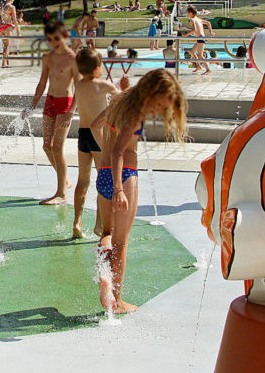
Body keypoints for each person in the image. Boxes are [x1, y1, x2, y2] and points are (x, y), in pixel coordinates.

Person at [89, 69, 187, 314]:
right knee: (122, 243)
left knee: (107, 233)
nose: (159, 110)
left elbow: (93, 126)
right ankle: (118, 299)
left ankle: (104, 275)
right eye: (161, 103)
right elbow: (118, 152)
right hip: (123, 175)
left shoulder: (120, 101)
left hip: (104, 173)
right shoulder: (135, 116)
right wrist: (120, 190)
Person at [71, 48, 129, 239]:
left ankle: (77, 222)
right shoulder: (102, 85)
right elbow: (122, 99)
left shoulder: (78, 84)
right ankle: (99, 223)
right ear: (97, 68)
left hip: (83, 134)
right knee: (103, 176)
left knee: (82, 179)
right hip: (98, 135)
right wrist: (125, 86)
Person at [28, 21, 80, 205]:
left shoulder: (73, 58)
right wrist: (32, 105)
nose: (53, 43)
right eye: (50, 40)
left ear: (64, 36)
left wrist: (71, 112)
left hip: (65, 105)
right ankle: (64, 179)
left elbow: (79, 86)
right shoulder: (47, 57)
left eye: (56, 38)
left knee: (57, 148)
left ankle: (61, 193)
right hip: (50, 102)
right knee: (47, 146)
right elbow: (42, 83)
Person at [182, 5, 215, 74]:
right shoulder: (198, 19)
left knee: (200, 55)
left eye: (188, 12)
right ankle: (198, 66)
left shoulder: (193, 19)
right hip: (201, 38)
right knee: (192, 52)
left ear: (191, 13)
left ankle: (208, 69)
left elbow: (194, 30)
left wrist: (185, 34)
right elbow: (208, 23)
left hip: (201, 38)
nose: (187, 14)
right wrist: (210, 31)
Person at [0, 0, 19, 68]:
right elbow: (15, 20)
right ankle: (3, 64)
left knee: (5, 46)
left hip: (1, 27)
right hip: (8, 27)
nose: (13, 0)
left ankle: (7, 63)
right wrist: (18, 31)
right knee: (7, 46)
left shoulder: (1, 6)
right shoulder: (12, 7)